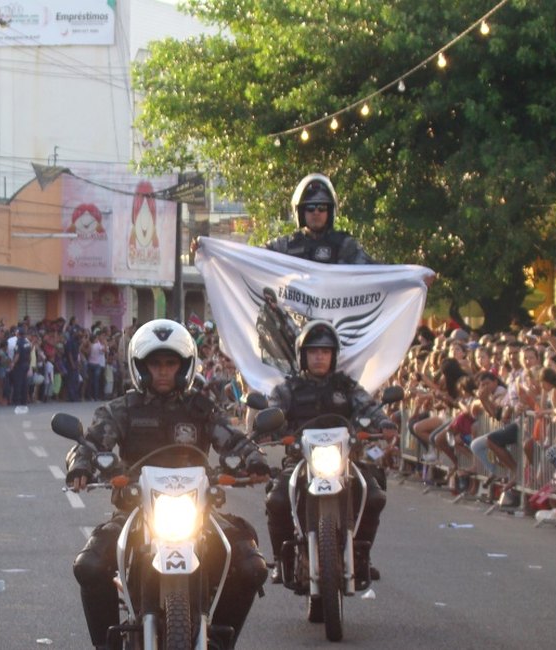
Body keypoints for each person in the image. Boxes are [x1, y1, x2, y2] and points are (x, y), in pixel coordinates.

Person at [65, 319, 270, 650]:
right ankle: (107, 645)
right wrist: (82, 465)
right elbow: (90, 442)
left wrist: (254, 459)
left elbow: (231, 439)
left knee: (251, 566)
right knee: (89, 565)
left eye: (170, 363)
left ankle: (219, 639)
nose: (163, 371)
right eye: (155, 364)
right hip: (137, 511)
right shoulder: (122, 409)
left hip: (197, 512)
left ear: (184, 367)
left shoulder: (201, 409)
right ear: (141, 368)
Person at [261, 320, 396, 589]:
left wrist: (383, 423)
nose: (319, 356)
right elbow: (273, 413)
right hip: (300, 460)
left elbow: (369, 408)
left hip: (345, 460)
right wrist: (270, 430)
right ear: (303, 356)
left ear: (333, 356)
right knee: (276, 499)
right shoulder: (287, 390)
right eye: (313, 351)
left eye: (325, 351)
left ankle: (360, 555)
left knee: (374, 495)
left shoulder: (346, 387)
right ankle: (282, 560)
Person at [265, 173, 376, 264]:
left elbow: (373, 273)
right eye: (310, 208)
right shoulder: (285, 246)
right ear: (301, 212)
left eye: (322, 208)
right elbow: (255, 258)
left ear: (330, 211)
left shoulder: (346, 246)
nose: (316, 212)